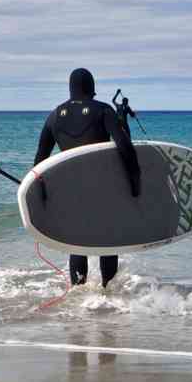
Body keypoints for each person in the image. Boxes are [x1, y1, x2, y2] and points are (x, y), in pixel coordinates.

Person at [34, 68, 141, 288]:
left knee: (77, 242)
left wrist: (41, 195)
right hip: (102, 187)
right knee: (107, 240)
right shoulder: (103, 110)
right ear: (92, 87)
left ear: (71, 88)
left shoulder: (54, 115)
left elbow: (40, 160)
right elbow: (124, 146)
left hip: (70, 190)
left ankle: (77, 292)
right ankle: (108, 291)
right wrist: (135, 179)